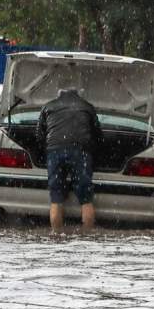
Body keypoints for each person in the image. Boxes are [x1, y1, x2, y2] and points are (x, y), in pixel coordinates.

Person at [36, 88, 102, 232]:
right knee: (86, 198)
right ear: (78, 94)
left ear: (58, 94)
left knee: (56, 198)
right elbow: (98, 135)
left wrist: (46, 151)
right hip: (80, 151)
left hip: (55, 151)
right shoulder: (87, 106)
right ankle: (87, 237)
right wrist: (92, 152)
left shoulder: (48, 106)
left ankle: (57, 235)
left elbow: (39, 135)